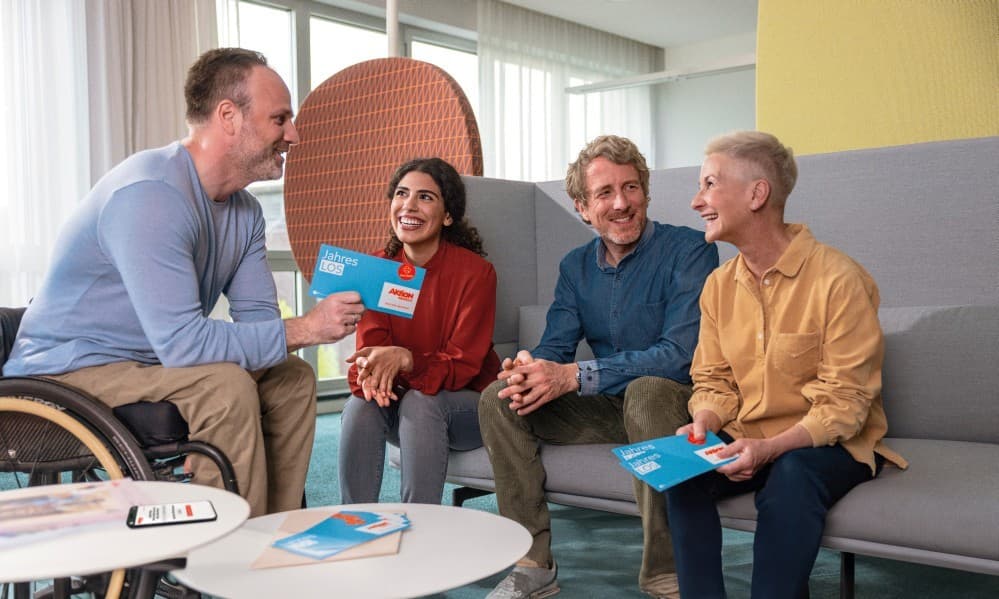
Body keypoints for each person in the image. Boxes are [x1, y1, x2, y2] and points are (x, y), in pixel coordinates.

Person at [4, 48, 365, 517]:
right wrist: (309, 329)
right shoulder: (150, 195)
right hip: (62, 372)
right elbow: (182, 344)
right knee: (224, 386)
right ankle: (224, 560)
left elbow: (258, 322)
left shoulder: (245, 213)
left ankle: (269, 538)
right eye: (280, 119)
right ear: (229, 117)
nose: (293, 135)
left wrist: (295, 336)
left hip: (144, 363)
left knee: (291, 378)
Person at [668, 130, 908, 598]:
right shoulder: (717, 286)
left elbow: (846, 404)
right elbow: (712, 378)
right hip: (750, 437)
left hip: (831, 443)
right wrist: (704, 422)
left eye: (710, 184)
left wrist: (771, 449)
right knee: (684, 475)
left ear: (757, 194)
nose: (697, 201)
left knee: (791, 476)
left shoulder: (839, 279)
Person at [479, 135, 719, 599]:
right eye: (605, 193)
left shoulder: (691, 250)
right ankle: (532, 565)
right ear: (582, 207)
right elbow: (555, 348)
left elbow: (679, 354)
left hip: (677, 405)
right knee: (500, 398)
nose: (621, 203)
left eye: (631, 188)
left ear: (646, 193)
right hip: (606, 407)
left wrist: (573, 376)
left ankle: (667, 572)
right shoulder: (574, 267)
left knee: (648, 390)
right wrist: (530, 369)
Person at [338, 157, 501, 504]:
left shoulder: (477, 274)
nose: (409, 205)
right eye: (401, 193)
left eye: (425, 197)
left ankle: (421, 529)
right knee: (359, 405)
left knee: (421, 402)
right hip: (401, 400)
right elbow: (370, 353)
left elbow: (464, 366)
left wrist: (407, 361)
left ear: (447, 216)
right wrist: (372, 375)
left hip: (470, 407)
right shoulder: (378, 268)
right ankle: (354, 524)